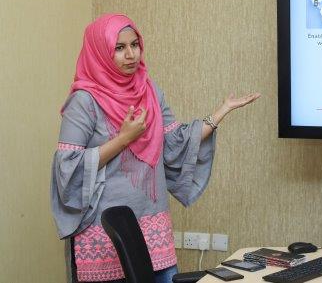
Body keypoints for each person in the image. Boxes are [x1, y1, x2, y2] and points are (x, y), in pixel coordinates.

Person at [50, 14, 260, 283]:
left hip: (152, 226)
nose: (131, 55)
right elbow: (67, 167)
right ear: (100, 51)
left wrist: (220, 112)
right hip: (102, 232)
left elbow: (176, 142)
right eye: (119, 47)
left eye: (134, 44)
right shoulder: (83, 101)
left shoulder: (149, 91)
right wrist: (123, 139)